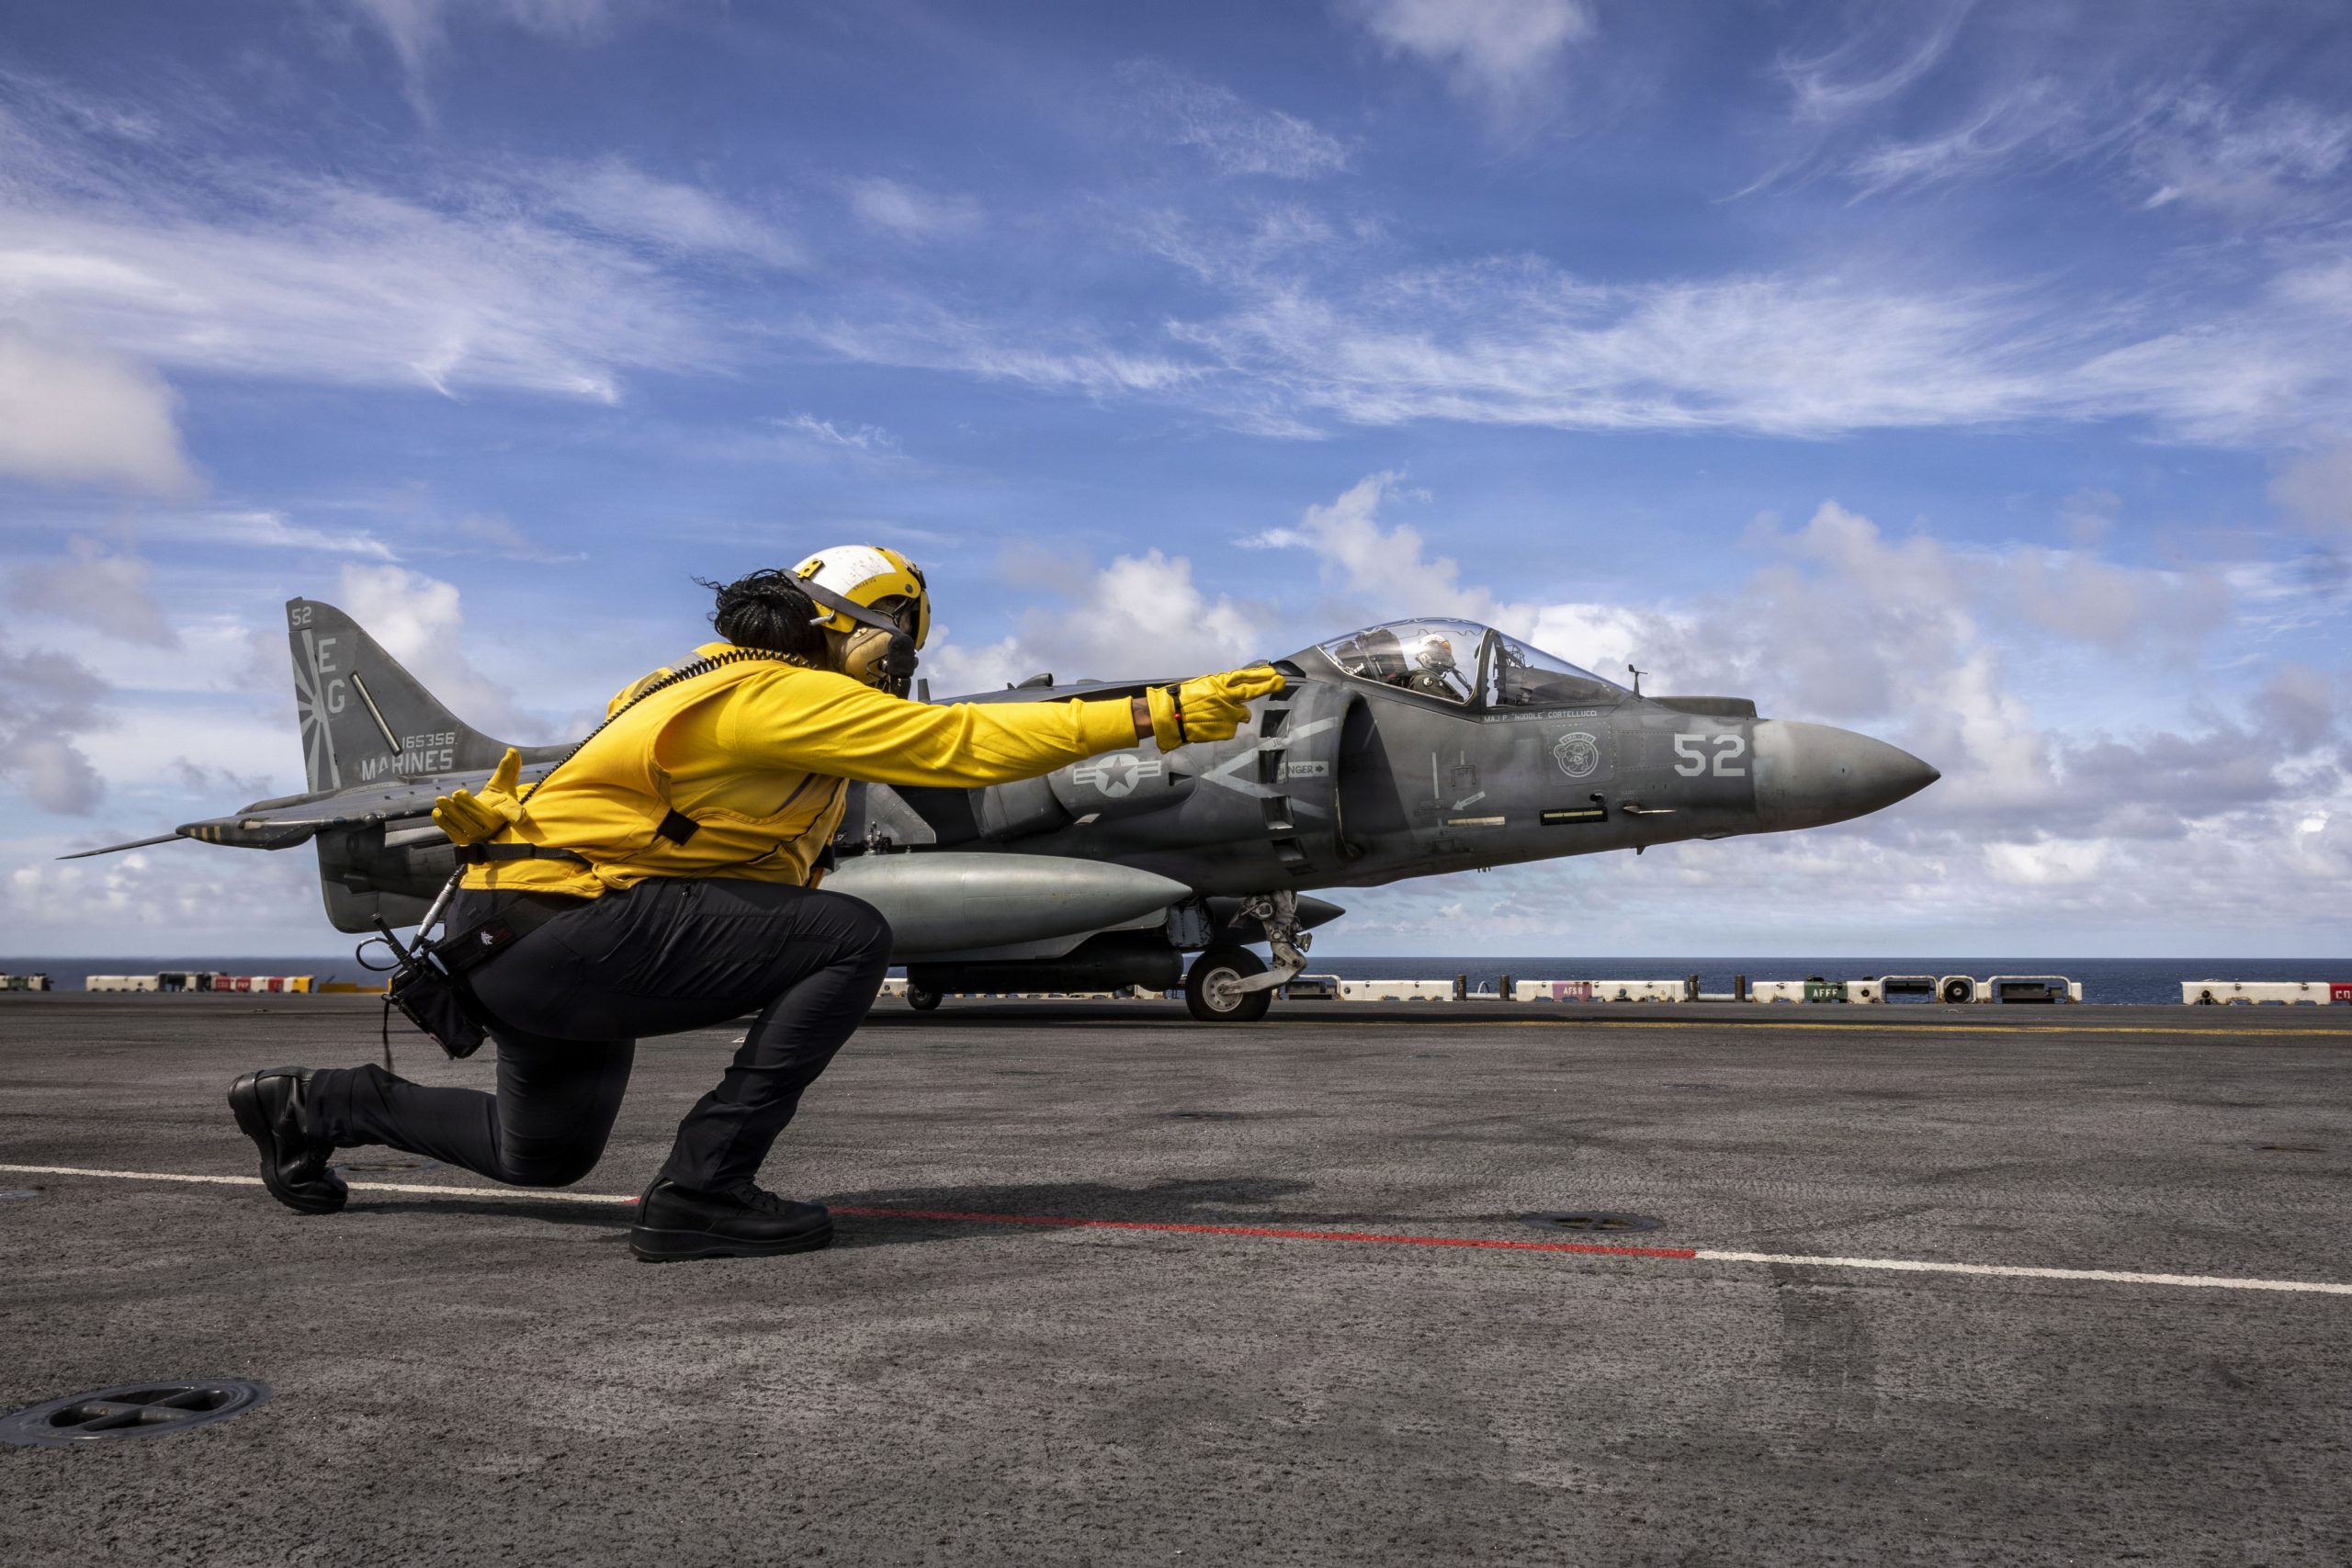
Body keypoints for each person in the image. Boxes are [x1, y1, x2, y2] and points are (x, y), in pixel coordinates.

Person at [228, 547, 1283, 1261]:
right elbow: (958, 745)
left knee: (535, 1154)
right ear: (861, 630)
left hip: (531, 943)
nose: (903, 663)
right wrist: (1164, 711)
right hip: (565, 932)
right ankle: (702, 1193)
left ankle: (309, 1105)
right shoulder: (774, 691)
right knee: (849, 935)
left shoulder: (721, 685)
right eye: (899, 639)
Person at [1404, 632, 1464, 700]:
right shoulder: (1424, 681)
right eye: (1443, 651)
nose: (1447, 655)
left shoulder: (1433, 679)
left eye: (1447, 650)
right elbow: (1450, 708)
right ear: (1426, 656)